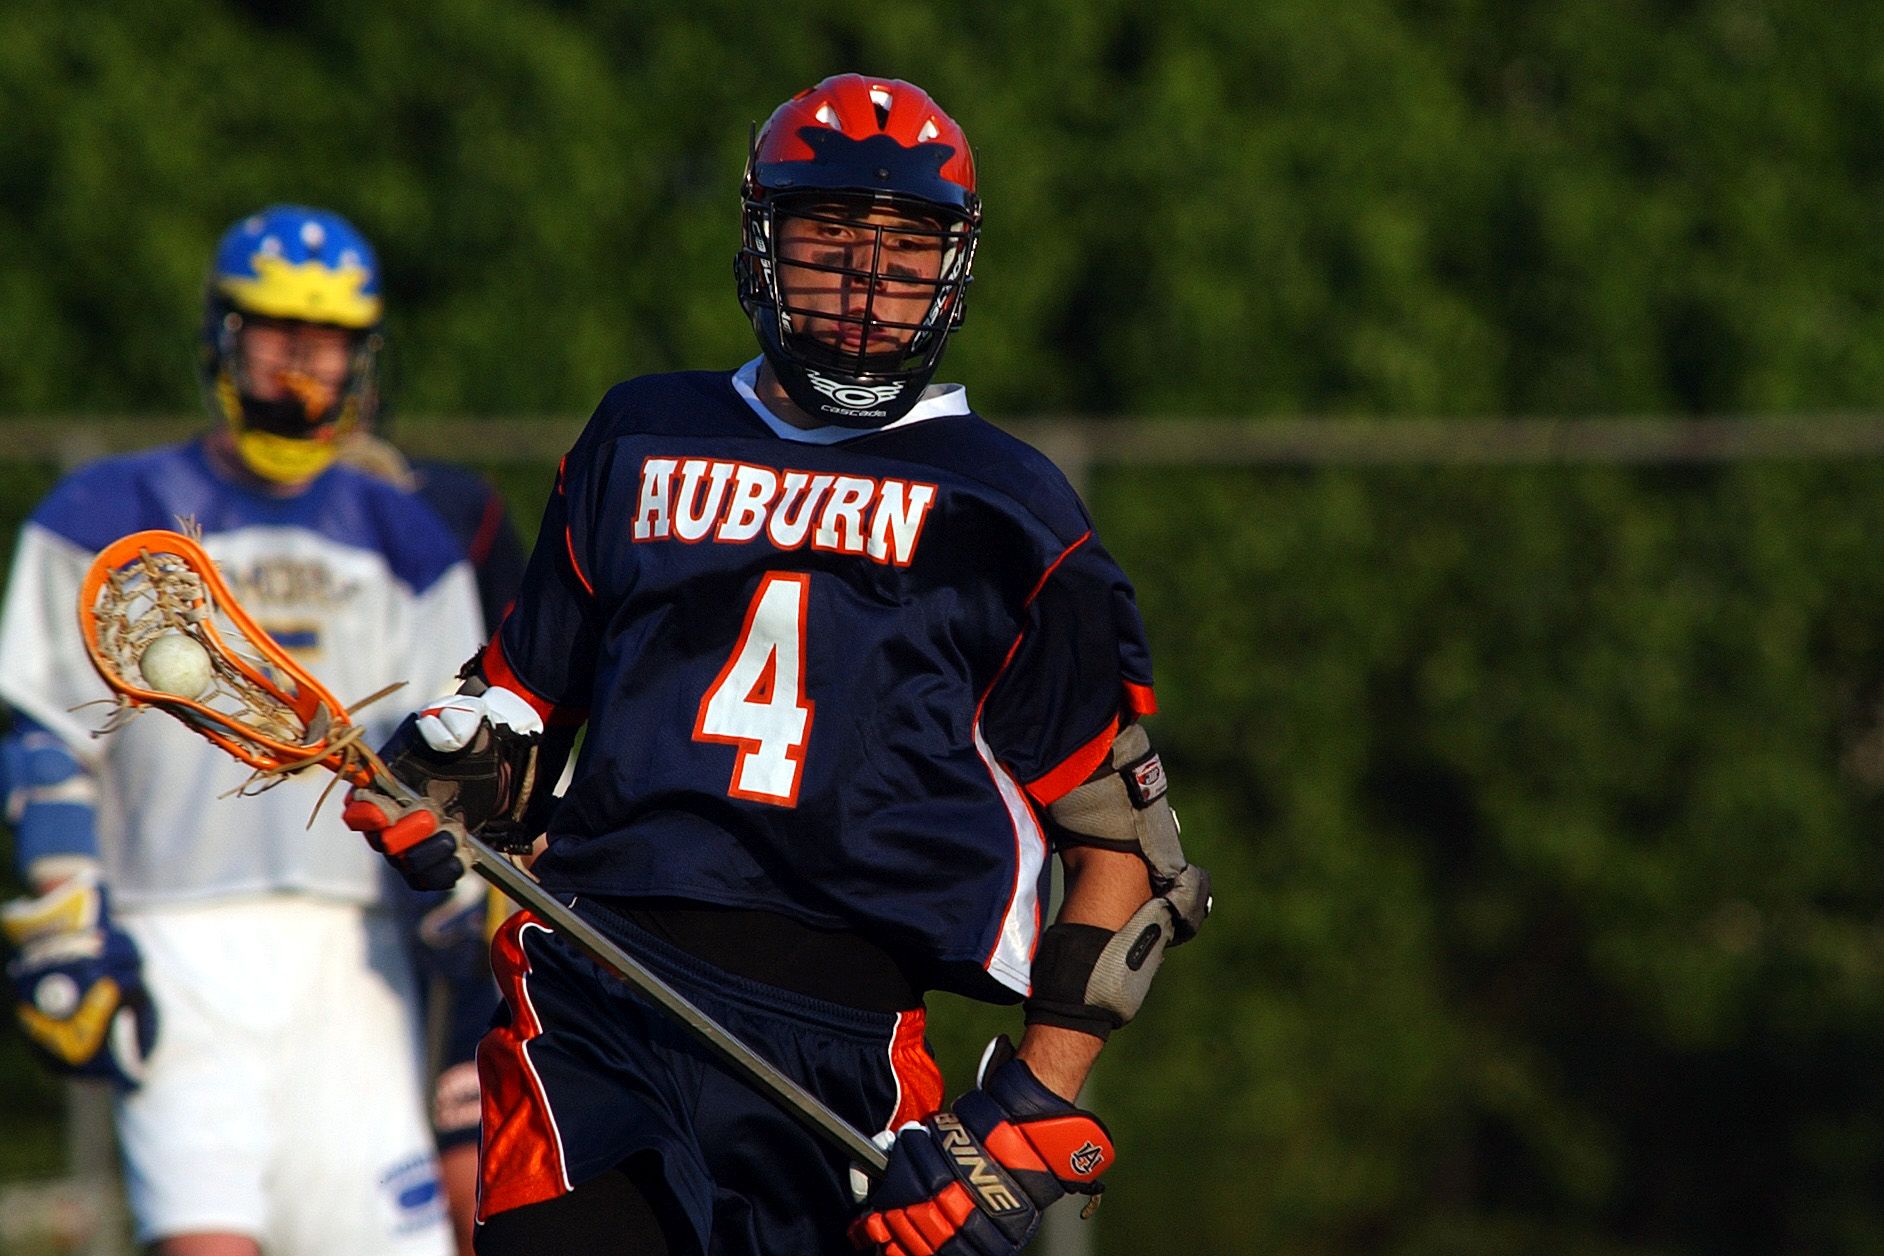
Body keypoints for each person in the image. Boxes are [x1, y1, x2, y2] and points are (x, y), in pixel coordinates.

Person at [342, 75, 1212, 1256]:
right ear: (762, 244)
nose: (866, 282)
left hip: (844, 1040)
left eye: (906, 248)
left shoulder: (1011, 507)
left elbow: (1128, 853)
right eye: (830, 239)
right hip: (598, 987)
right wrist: (447, 776)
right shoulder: (641, 432)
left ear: (954, 267)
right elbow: (519, 707)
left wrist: (1027, 1110)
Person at [0, 205, 488, 1256]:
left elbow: (454, 753)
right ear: (225, 335)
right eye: (276, 330)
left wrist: (465, 911)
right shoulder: (104, 512)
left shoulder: (408, 537)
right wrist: (65, 914)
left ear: (364, 355)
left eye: (328, 338)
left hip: (355, 955)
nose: (301, 363)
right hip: (173, 933)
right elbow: (46, 740)